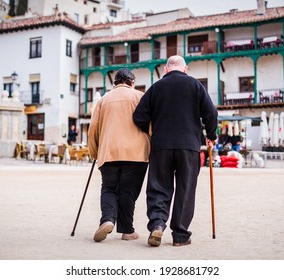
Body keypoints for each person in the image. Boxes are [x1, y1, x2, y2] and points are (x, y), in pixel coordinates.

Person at [133, 55, 218, 247]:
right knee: (185, 189)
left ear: (166, 69)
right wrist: (211, 135)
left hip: (161, 145)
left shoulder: (156, 87)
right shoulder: (195, 85)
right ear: (185, 69)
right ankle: (180, 235)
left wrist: (152, 130)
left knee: (158, 186)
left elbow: (139, 116)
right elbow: (211, 113)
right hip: (189, 146)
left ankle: (157, 224)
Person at [88, 68, 150, 242]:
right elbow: (151, 125)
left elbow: (93, 128)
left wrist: (94, 152)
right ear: (132, 82)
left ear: (115, 82)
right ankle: (127, 231)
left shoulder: (103, 100)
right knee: (128, 192)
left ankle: (107, 220)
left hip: (109, 152)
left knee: (108, 188)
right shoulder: (140, 97)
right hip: (136, 153)